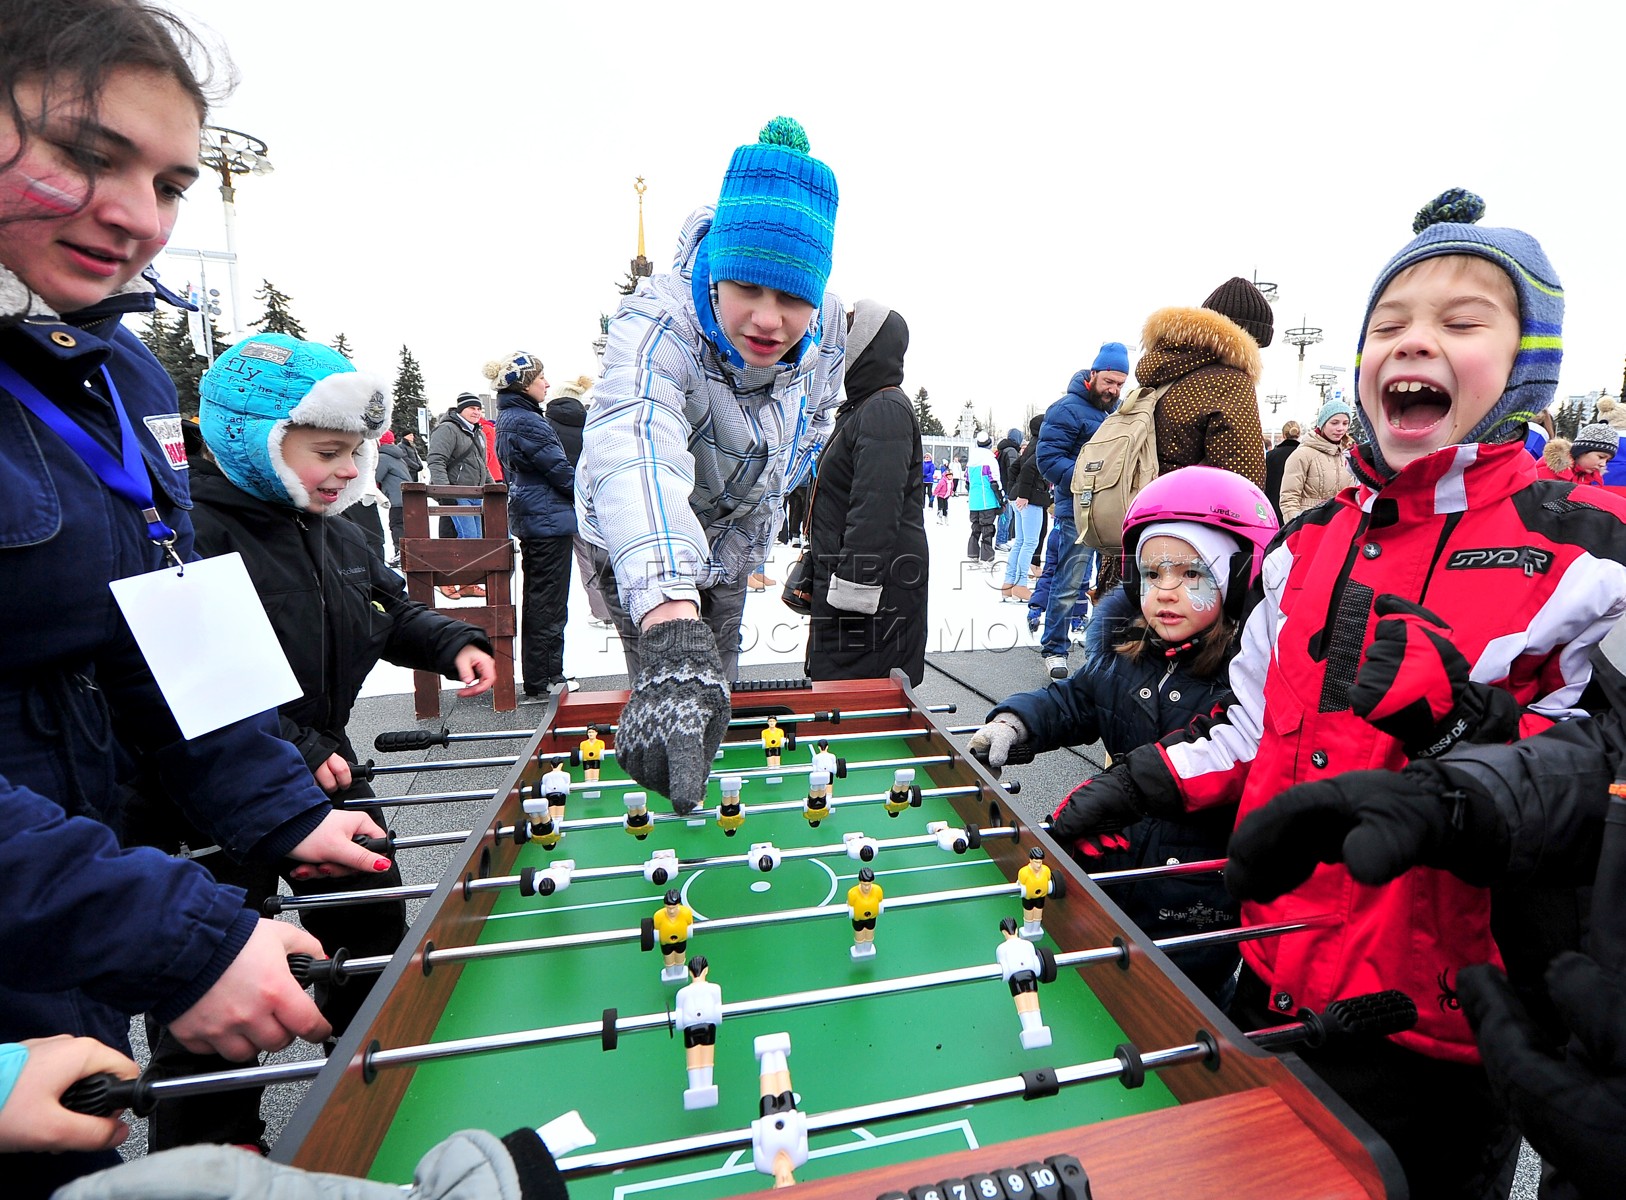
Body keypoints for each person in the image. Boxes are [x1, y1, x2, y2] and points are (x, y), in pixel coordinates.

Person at [1050, 189, 1626, 1198]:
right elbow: (1247, 728)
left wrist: (1467, 726)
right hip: (1274, 971)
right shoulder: (1304, 547)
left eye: (1461, 322)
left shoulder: (1589, 551)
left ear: (1527, 362)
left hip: (1444, 1032)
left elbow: (1594, 787)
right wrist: (1142, 781)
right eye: (1390, 325)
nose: (1415, 344)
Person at [0, 3, 386, 1191]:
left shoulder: (110, 365)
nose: (138, 218)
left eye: (168, 181)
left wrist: (281, 810)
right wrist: (184, 936)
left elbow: (169, 632)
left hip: (68, 904)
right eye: (83, 153)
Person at [136, 332, 498, 1153]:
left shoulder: (339, 528)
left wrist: (449, 640)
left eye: (354, 452)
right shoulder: (188, 529)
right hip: (207, 790)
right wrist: (294, 746)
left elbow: (387, 610)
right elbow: (186, 680)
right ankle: (214, 1142)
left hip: (326, 766)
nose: (345, 469)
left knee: (372, 921)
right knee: (213, 970)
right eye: (325, 450)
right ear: (251, 441)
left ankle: (369, 1059)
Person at [574, 116, 842, 814]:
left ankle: (704, 788)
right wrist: (667, 612)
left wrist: (772, 484)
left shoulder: (825, 329)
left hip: (730, 530)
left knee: (717, 674)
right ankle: (667, 804)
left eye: (791, 298)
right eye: (748, 288)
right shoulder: (658, 322)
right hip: (639, 530)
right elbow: (635, 441)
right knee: (672, 674)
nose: (768, 319)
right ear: (716, 269)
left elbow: (816, 413)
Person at [978, 466, 1276, 1003]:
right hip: (1112, 866)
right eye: (1153, 573)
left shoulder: (1244, 681)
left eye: (1192, 575)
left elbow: (1239, 758)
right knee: (1094, 994)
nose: (1167, 592)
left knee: (1175, 1006)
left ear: (1238, 575)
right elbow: (1075, 700)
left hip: (1194, 894)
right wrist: (1015, 722)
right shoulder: (1129, 656)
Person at [1084, 276, 1275, 659]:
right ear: (1244, 338)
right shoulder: (1229, 382)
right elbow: (1243, 483)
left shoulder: (1158, 375)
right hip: (1191, 563)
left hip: (1135, 547)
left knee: (1115, 669)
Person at [806, 299, 928, 685]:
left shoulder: (883, 409)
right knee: (844, 689)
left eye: (847, 332)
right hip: (866, 585)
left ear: (866, 344)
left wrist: (852, 594)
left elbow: (875, 511)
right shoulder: (867, 406)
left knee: (855, 695)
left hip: (873, 595)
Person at [1034, 344, 1129, 679]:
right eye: (1109, 381)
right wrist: (1091, 479)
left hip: (1110, 512)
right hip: (1077, 510)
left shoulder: (1113, 414)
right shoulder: (1065, 409)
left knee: (1108, 582)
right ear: (1093, 375)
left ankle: (1104, 649)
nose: (1114, 389)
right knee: (1069, 580)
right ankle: (1054, 649)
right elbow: (1047, 460)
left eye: (1120, 383)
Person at [488, 351, 578, 701]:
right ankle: (543, 678)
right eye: (542, 379)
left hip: (538, 515)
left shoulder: (513, 417)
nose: (548, 384)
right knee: (548, 602)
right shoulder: (526, 421)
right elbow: (558, 470)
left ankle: (547, 673)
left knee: (545, 599)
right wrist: (589, 496)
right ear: (525, 384)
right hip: (547, 518)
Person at [427, 393, 492, 586]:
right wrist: (445, 491)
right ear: (461, 409)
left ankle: (467, 582)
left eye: (479, 409)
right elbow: (436, 460)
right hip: (458, 491)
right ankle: (460, 581)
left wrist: (493, 487)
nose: (476, 412)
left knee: (477, 540)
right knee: (468, 538)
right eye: (472, 408)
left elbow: (482, 464)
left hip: (476, 492)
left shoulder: (478, 432)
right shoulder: (448, 429)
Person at [1277, 398, 1354, 522]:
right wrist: (1296, 528)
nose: (1340, 428)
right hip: (1309, 525)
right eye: (1334, 423)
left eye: (1345, 423)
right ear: (1323, 423)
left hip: (1338, 526)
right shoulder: (1303, 454)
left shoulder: (1347, 455)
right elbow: (1289, 498)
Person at [1000, 414, 1047, 602]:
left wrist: (1013, 489)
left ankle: (1008, 585)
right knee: (1029, 543)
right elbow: (1028, 468)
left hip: (1018, 496)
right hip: (1030, 498)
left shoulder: (1030, 446)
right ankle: (1020, 585)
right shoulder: (1043, 446)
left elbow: (1014, 469)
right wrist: (1024, 494)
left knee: (1020, 542)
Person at [674, 955, 722, 1109]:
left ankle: (696, 1088)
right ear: (706, 970)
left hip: (691, 1028)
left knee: (694, 1061)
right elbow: (718, 1013)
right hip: (708, 1026)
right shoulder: (715, 989)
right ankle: (705, 1086)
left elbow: (679, 1019)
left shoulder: (682, 993)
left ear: (689, 972)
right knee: (706, 1059)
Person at [996, 917, 1050, 1049]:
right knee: (1033, 1002)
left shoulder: (1001, 948)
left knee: (1023, 1006)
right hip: (1029, 974)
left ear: (1004, 932)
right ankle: (1038, 1027)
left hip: (1016, 977)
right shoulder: (1028, 944)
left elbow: (1003, 968)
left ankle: (1028, 1030)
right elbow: (1035, 963)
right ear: (1016, 928)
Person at [965, 429, 1004, 568]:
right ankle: (987, 558)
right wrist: (1001, 499)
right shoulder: (990, 460)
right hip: (987, 500)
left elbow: (967, 482)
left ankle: (972, 554)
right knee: (987, 528)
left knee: (975, 527)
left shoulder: (971, 461)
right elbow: (995, 482)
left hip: (974, 501)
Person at [374, 429, 413, 566]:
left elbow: (376, 477)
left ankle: (400, 554)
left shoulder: (383, 458)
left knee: (396, 525)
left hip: (397, 497)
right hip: (407, 496)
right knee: (406, 526)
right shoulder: (398, 456)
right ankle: (408, 553)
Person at [1538, 421, 1616, 486]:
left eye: (1607, 460)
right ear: (1581, 451)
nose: (1603, 464)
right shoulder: (1545, 472)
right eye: (1601, 457)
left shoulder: (1590, 479)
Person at [1262, 419, 1301, 521]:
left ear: (1283, 435)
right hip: (1296, 509)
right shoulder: (1305, 455)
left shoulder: (1270, 455)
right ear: (1299, 434)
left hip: (1272, 507)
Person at [993, 426, 1022, 549]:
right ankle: (1001, 540)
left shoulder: (1003, 449)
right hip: (1007, 487)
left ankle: (1002, 539)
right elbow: (1013, 469)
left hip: (1003, 486)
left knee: (1005, 514)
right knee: (1006, 515)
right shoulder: (1011, 451)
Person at [846, 866, 883, 957]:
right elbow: (850, 905)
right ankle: (858, 950)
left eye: (869, 885)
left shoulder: (878, 890)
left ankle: (868, 949)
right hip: (858, 919)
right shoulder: (852, 894)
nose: (866, 888)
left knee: (870, 933)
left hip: (871, 918)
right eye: (864, 885)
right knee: (859, 934)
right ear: (860, 882)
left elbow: (880, 902)